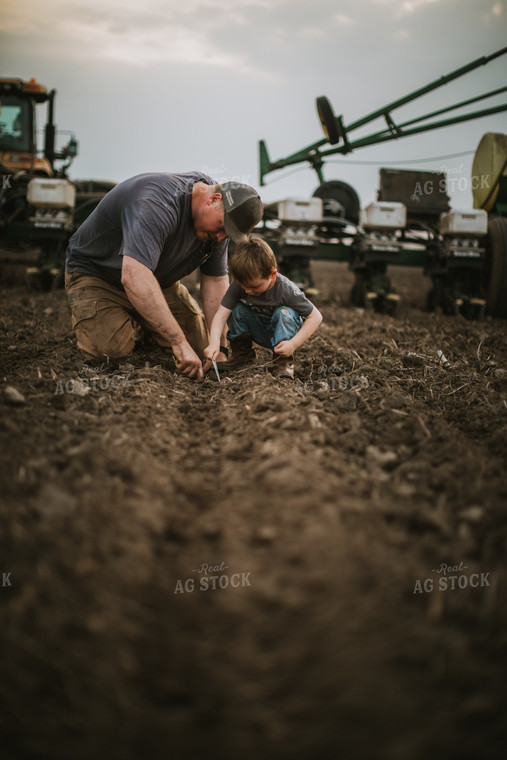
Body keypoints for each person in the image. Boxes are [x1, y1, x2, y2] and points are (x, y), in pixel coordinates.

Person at [65, 172, 263, 379]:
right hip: (98, 276)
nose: (222, 238)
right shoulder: (157, 203)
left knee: (199, 349)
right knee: (108, 355)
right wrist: (178, 342)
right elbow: (134, 275)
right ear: (214, 200)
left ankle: (149, 327)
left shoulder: (217, 227)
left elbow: (215, 280)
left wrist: (220, 349)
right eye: (222, 227)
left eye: (228, 234)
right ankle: (132, 324)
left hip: (157, 281)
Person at [204, 237, 322, 379]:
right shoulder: (240, 284)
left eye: (254, 287)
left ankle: (282, 363)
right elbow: (221, 314)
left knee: (284, 312)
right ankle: (243, 356)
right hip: (258, 328)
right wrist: (214, 344)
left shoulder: (286, 290)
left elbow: (315, 316)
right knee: (235, 308)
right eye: (243, 286)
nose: (247, 291)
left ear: (272, 274)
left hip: (284, 334)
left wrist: (293, 344)